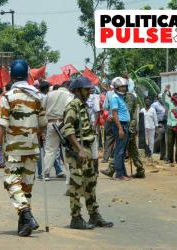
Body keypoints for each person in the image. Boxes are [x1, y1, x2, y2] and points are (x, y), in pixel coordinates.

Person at [0, 59, 47, 237]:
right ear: (26, 75)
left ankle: (26, 214)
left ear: (12, 75)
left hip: (15, 148)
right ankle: (24, 224)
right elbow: (42, 123)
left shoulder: (8, 97)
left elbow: (1, 124)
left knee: (11, 182)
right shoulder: (38, 96)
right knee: (26, 187)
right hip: (32, 147)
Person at [61, 76, 113, 230]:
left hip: (87, 149)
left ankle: (94, 214)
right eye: (86, 89)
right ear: (77, 90)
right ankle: (76, 218)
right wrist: (79, 149)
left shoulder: (82, 105)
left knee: (90, 184)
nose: (90, 91)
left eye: (90, 89)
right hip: (78, 152)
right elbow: (68, 130)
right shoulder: (73, 106)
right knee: (77, 185)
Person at [43, 81, 73, 181]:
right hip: (64, 123)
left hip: (51, 123)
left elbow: (43, 108)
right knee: (67, 150)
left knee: (50, 150)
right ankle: (70, 173)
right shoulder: (69, 95)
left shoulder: (49, 94)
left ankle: (46, 173)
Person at [109, 77, 131, 181]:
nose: (124, 88)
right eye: (122, 87)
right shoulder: (115, 98)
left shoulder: (122, 98)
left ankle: (123, 173)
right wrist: (120, 129)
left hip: (125, 125)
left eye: (125, 87)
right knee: (119, 151)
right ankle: (119, 174)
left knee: (123, 151)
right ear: (117, 87)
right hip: (120, 125)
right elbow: (114, 113)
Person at [163, 88, 177, 164]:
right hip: (170, 126)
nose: (176, 98)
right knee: (170, 143)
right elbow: (163, 99)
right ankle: (169, 159)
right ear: (172, 98)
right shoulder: (169, 104)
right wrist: (165, 91)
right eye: (175, 97)